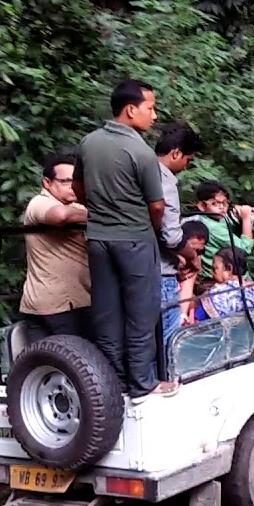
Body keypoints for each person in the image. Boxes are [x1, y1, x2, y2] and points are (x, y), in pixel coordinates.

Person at [73, 78, 176, 402]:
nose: (154, 116)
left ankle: (113, 381)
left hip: (98, 240)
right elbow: (157, 206)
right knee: (141, 313)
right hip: (134, 239)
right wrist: (149, 227)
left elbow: (77, 187)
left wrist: (100, 210)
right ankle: (142, 384)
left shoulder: (88, 143)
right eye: (150, 108)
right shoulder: (140, 152)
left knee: (106, 313)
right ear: (131, 110)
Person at [20, 150, 92, 339]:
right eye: (65, 181)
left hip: (70, 302)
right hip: (57, 305)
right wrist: (98, 215)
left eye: (74, 180)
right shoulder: (40, 202)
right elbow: (59, 216)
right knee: (72, 364)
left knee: (51, 365)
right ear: (47, 183)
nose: (71, 186)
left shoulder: (76, 207)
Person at [155, 122, 203, 352]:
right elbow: (171, 235)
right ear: (176, 153)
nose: (186, 166)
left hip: (137, 266)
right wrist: (192, 256)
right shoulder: (164, 181)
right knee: (167, 338)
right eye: (187, 159)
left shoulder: (138, 172)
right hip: (160, 273)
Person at [186, 181, 254, 281]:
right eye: (215, 203)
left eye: (224, 203)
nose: (221, 207)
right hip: (223, 280)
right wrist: (246, 218)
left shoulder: (216, 220)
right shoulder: (212, 226)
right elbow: (244, 249)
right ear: (201, 206)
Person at [198, 247, 254, 320]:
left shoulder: (210, 296)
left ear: (229, 269)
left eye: (214, 269)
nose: (211, 273)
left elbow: (197, 323)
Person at [177, 220, 209, 326]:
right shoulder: (171, 260)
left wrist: (182, 315)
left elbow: (188, 287)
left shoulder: (194, 264)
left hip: (184, 308)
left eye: (199, 251)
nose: (194, 255)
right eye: (191, 250)